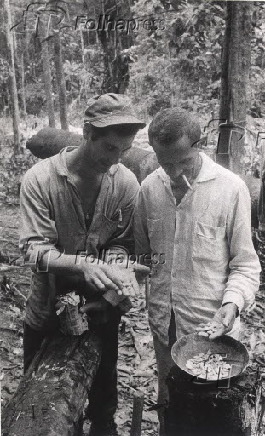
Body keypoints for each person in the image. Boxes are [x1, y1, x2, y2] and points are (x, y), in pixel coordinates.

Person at [19, 93, 149, 436]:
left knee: (104, 398)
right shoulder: (41, 180)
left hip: (102, 309)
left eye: (124, 151)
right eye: (109, 148)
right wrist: (83, 265)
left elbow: (122, 241)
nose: (116, 159)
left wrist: (116, 269)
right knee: (43, 409)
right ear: (87, 133)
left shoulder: (124, 182)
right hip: (46, 307)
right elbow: (34, 249)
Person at [133, 108, 261, 435]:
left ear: (199, 146)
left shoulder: (230, 189)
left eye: (182, 162)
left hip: (213, 330)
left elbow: (245, 264)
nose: (174, 172)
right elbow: (143, 256)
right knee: (170, 404)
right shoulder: (149, 189)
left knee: (214, 418)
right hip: (164, 324)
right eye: (165, 163)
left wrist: (230, 307)